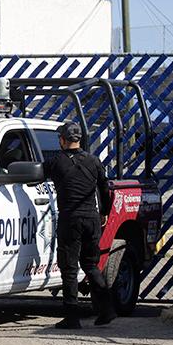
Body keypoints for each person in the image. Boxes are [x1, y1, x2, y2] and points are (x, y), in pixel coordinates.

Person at [43, 121, 116, 329]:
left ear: (63, 140)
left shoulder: (55, 162)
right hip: (91, 218)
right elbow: (104, 189)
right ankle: (107, 310)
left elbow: (37, 175)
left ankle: (72, 317)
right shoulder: (94, 161)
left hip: (70, 219)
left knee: (69, 269)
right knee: (91, 265)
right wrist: (104, 212)